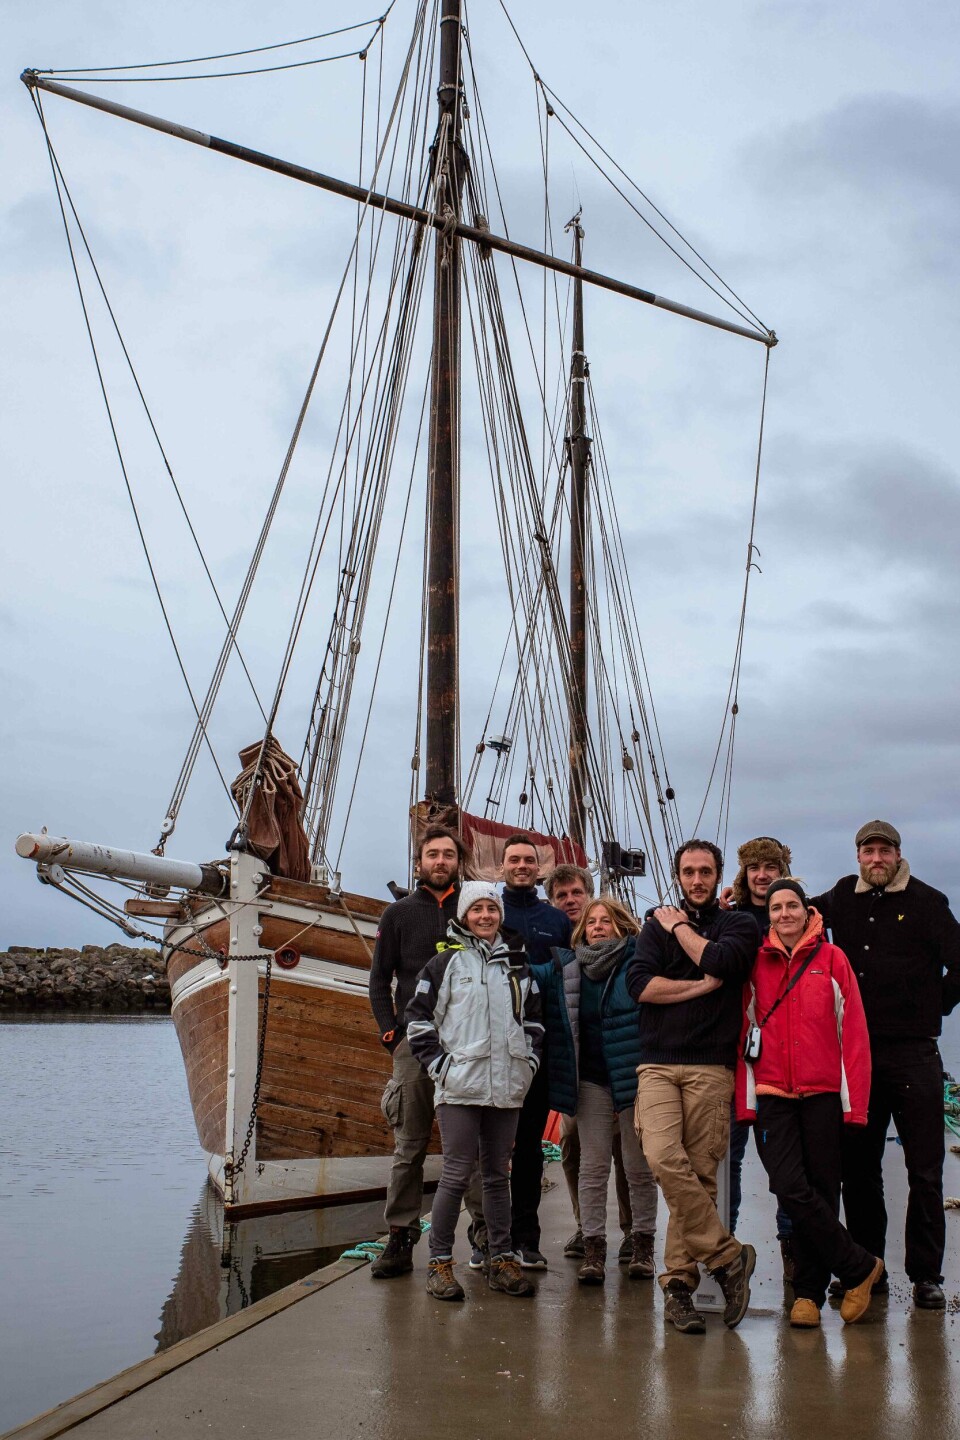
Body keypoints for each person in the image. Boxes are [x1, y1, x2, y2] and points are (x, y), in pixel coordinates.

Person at [810, 820, 960, 1311]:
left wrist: (937, 1004)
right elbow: (795, 909)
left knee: (926, 1172)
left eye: (885, 851)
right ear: (857, 856)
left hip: (915, 1053)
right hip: (857, 1054)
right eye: (868, 851)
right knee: (859, 1169)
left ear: (898, 854)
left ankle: (926, 1275)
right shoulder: (841, 897)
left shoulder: (928, 901)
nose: (877, 859)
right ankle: (867, 1267)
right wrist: (745, 898)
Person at [736, 878, 882, 1327]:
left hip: (821, 1095)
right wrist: (746, 1102)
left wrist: (855, 1106)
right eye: (777, 906)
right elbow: (744, 1035)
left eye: (792, 905)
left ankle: (809, 1296)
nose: (784, 913)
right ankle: (859, 1265)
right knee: (789, 1186)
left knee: (822, 1190)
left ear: (807, 910)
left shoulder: (833, 960)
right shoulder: (755, 963)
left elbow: (853, 1035)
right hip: (773, 1094)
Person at [626, 839, 758, 1333]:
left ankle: (677, 1287)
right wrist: (701, 986)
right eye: (688, 872)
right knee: (663, 1159)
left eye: (705, 871)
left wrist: (678, 926)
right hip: (657, 1062)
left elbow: (725, 962)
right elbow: (640, 985)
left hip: (711, 1065)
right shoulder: (651, 926)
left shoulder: (737, 924)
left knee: (699, 1174)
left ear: (718, 874)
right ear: (678, 875)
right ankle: (727, 1258)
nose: (697, 880)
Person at [405, 882, 544, 1302]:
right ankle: (440, 1263)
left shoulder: (517, 967)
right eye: (477, 909)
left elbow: (534, 1021)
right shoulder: (445, 964)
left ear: (500, 915)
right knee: (456, 1173)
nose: (485, 916)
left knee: (497, 1175)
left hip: (506, 1084)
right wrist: (441, 1068)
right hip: (460, 1085)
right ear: (464, 916)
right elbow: (418, 1020)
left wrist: (529, 1064)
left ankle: (501, 1257)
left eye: (492, 908)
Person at [367, 825, 482, 1278]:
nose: (440, 861)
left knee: (469, 1146)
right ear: (419, 864)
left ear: (459, 862)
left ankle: (486, 1234)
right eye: (432, 854)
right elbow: (380, 979)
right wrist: (390, 1033)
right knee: (409, 1144)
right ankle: (399, 1235)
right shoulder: (398, 915)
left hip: (467, 1041)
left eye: (448, 855)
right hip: (414, 1041)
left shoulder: (474, 910)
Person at [530, 895, 658, 1284]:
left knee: (638, 1169)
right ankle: (593, 1249)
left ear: (621, 926)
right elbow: (525, 974)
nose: (598, 927)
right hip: (590, 1081)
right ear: (581, 930)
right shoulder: (568, 967)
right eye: (591, 922)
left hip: (634, 1079)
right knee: (592, 1166)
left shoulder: (637, 962)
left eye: (606, 921)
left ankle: (642, 1246)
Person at [544, 864, 636, 1264]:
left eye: (576, 893)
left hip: (620, 1068)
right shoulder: (560, 941)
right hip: (580, 1070)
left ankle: (633, 1231)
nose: (570, 901)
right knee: (573, 1147)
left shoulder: (621, 945)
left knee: (627, 1152)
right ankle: (587, 1227)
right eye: (561, 896)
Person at [500, 833, 572, 1268]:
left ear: (538, 867)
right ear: (502, 867)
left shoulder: (556, 921)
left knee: (528, 1147)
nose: (522, 865)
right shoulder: (488, 912)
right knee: (489, 1149)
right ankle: (488, 1233)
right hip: (492, 1047)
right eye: (515, 860)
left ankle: (527, 1238)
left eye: (529, 860)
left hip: (538, 1047)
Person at [726, 836, 795, 1278]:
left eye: (771, 866)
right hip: (734, 1057)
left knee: (785, 1164)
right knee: (727, 1159)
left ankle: (793, 1250)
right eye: (755, 867)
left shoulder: (794, 921)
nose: (762, 874)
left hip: (781, 1059)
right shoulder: (729, 920)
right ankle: (725, 1247)